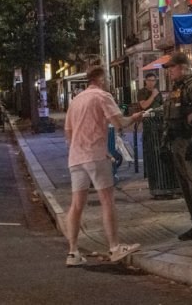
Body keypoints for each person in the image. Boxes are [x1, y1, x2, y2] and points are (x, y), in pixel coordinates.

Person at [63, 66, 144, 266]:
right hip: (96, 155)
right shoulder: (102, 96)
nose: (108, 80)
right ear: (99, 79)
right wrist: (134, 118)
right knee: (107, 200)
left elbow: (68, 132)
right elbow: (119, 123)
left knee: (76, 205)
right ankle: (115, 247)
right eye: (107, 77)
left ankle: (73, 252)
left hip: (76, 156)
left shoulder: (76, 100)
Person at [162, 52, 192, 243]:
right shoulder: (176, 88)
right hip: (178, 142)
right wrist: (166, 139)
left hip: (191, 143)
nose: (170, 72)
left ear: (183, 67)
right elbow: (170, 114)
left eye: (172, 68)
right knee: (186, 188)